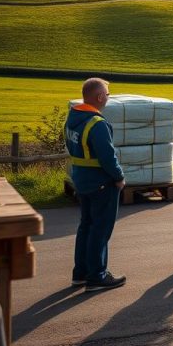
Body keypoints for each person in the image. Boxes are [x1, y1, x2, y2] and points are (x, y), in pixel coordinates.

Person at [65, 78, 126, 291]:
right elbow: (108, 157)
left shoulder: (73, 119)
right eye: (108, 94)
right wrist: (119, 177)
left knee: (86, 227)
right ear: (99, 97)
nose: (108, 98)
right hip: (101, 183)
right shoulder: (97, 124)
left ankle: (80, 274)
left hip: (81, 180)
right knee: (100, 230)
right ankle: (97, 275)